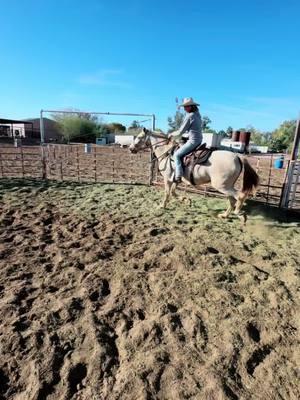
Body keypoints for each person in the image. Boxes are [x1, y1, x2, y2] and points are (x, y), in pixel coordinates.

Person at [168, 97, 202, 183]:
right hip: (199, 139)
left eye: (186, 106)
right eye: (184, 106)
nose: (184, 108)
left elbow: (180, 131)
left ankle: (178, 175)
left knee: (176, 155)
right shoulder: (197, 115)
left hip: (193, 141)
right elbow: (194, 130)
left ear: (191, 106)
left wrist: (171, 134)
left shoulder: (190, 116)